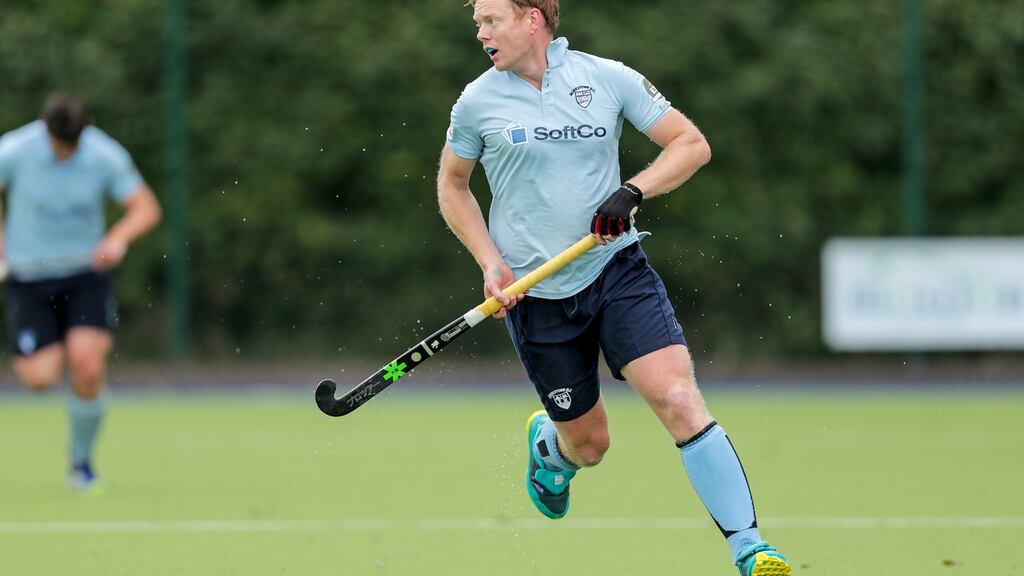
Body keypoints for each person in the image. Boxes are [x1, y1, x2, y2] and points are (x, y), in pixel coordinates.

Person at [436, 2, 791, 575]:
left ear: (532, 19)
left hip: (615, 271)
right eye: (478, 22)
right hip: (536, 295)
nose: (480, 33)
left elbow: (690, 144)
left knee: (678, 398)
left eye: (490, 20)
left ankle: (750, 549)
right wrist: (490, 263)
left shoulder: (606, 78)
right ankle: (552, 447)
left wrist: (633, 190)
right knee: (590, 446)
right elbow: (453, 186)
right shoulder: (478, 101)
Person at [0, 94, 162, 493]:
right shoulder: (14, 150)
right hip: (29, 277)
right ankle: (41, 356)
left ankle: (81, 465)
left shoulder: (104, 154)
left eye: (73, 144)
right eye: (60, 144)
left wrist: (118, 237)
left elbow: (145, 207)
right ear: (45, 129)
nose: (66, 151)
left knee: (87, 367)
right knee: (40, 377)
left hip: (86, 274)